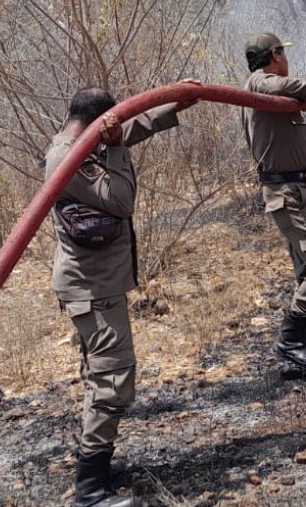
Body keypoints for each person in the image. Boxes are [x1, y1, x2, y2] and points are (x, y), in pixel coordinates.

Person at [46, 84, 197, 507]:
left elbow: (132, 128)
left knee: (103, 376)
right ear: (95, 123)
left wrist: (174, 104)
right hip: (92, 290)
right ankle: (90, 490)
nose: (117, 133)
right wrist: (114, 149)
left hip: (99, 286)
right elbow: (121, 199)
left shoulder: (83, 141)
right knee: (114, 381)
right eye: (109, 127)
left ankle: (97, 463)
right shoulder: (66, 157)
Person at [241, 33, 306, 369]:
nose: (286, 60)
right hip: (288, 193)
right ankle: (291, 342)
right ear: (274, 55)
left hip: (296, 190)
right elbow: (275, 87)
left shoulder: (272, 99)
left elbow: (297, 138)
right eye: (282, 54)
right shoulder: (261, 83)